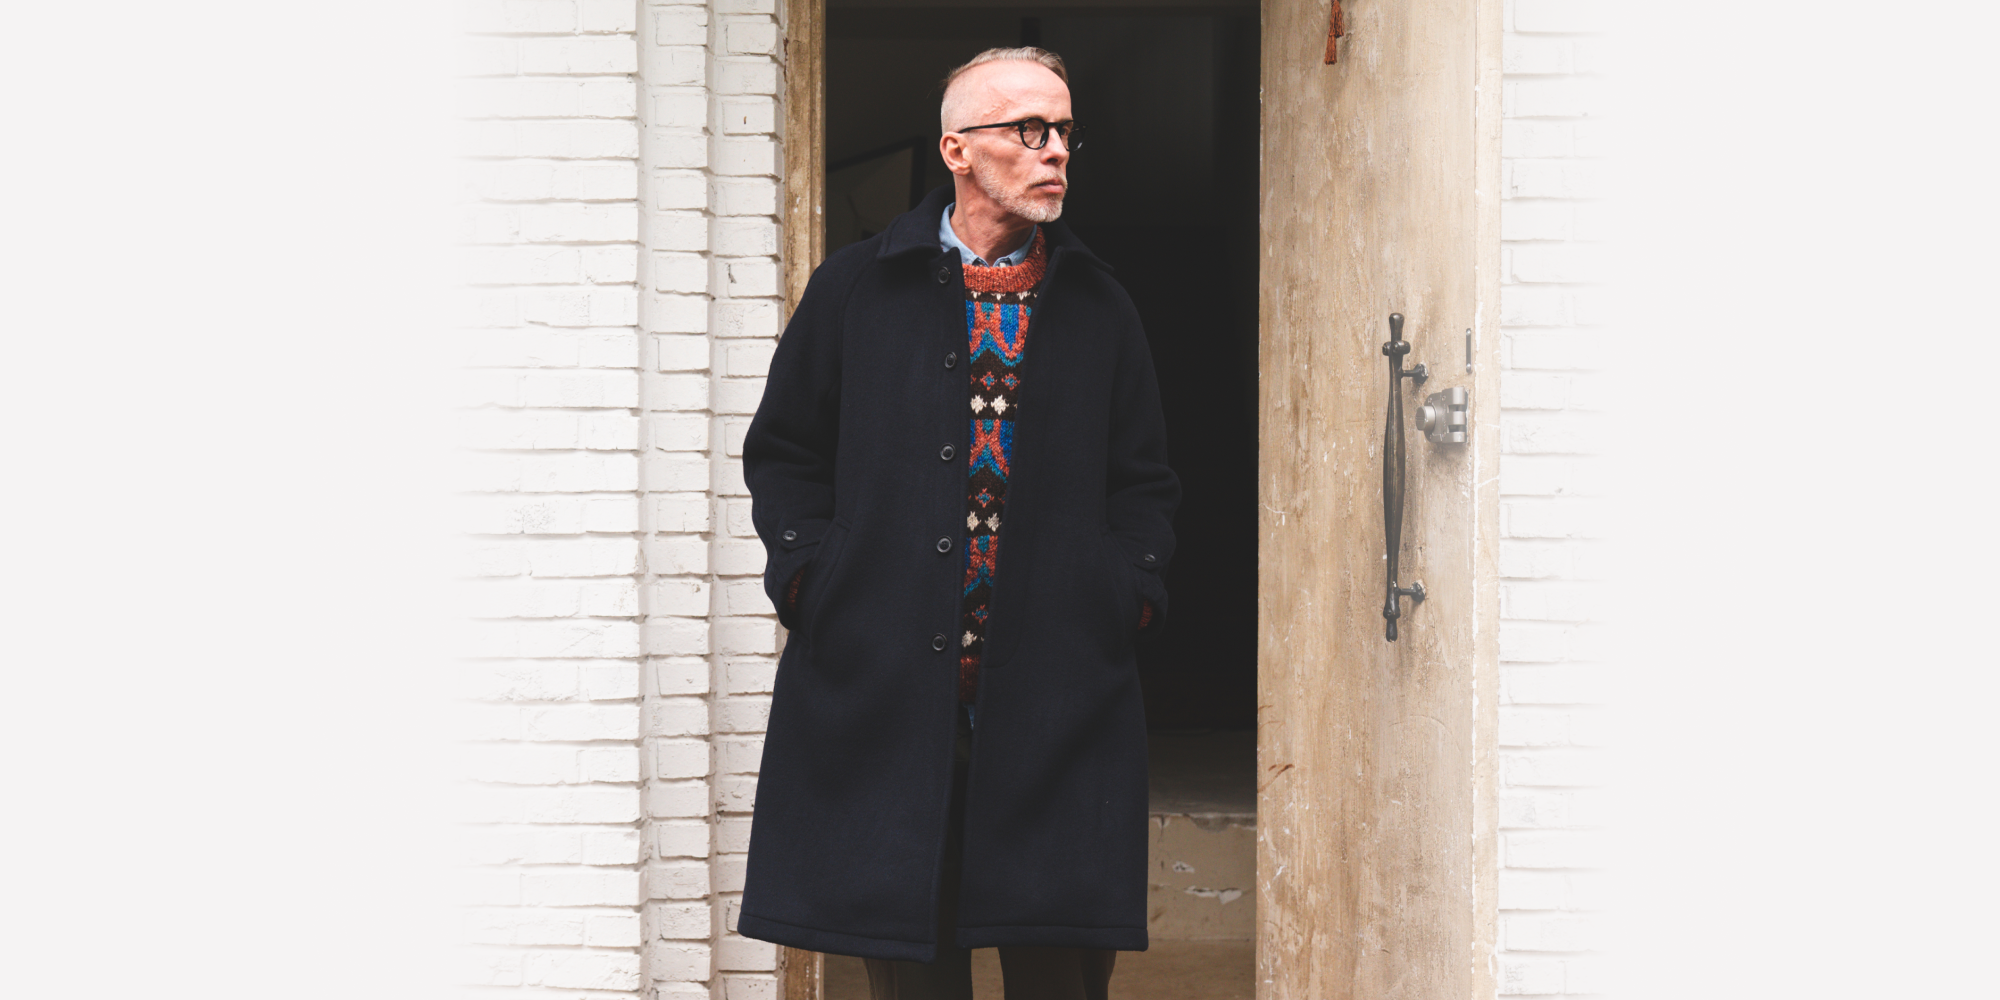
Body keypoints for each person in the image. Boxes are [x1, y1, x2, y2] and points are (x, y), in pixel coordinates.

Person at [736, 46, 1181, 1000]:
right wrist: (813, 578)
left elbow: (1143, 481)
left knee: (1060, 973)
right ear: (958, 150)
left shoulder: (1100, 304)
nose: (1055, 150)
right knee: (913, 977)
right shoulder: (856, 288)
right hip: (886, 692)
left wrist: (1126, 591)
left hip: (1060, 697)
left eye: (1064, 131)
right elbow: (785, 452)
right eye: (1029, 129)